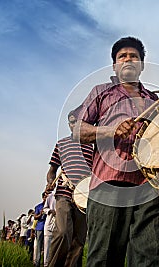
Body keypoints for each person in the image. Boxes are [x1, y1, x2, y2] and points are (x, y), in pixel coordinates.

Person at [74, 36, 159, 267]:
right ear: (115, 65)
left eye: (134, 56)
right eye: (122, 56)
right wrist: (111, 131)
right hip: (109, 183)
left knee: (152, 256)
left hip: (150, 185)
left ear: (142, 65)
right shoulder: (101, 92)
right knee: (104, 257)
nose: (128, 59)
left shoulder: (154, 100)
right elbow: (78, 130)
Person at [46, 107, 93, 267]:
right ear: (68, 124)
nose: (75, 125)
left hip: (84, 198)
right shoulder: (61, 144)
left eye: (78, 122)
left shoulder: (92, 146)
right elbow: (52, 170)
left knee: (79, 240)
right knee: (64, 232)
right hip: (64, 193)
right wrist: (49, 183)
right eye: (72, 122)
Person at [34, 191, 48, 267]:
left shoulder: (50, 206)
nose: (46, 198)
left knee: (47, 247)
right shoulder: (38, 206)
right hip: (39, 228)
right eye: (45, 197)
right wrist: (40, 214)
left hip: (48, 228)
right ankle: (38, 263)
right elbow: (35, 217)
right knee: (39, 247)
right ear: (43, 197)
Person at [43, 189, 56, 267]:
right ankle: (46, 264)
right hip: (50, 223)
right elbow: (44, 209)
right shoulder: (50, 196)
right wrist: (50, 211)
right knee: (47, 246)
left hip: (59, 225)